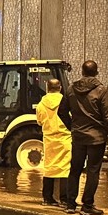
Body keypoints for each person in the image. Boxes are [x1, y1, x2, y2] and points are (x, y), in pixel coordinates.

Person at [59, 60, 108, 215]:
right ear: (96, 72)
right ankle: (87, 206)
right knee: (93, 171)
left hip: (78, 137)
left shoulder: (71, 89)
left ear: (83, 72)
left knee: (75, 169)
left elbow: (61, 112)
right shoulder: (101, 90)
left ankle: (70, 204)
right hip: (96, 138)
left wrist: (72, 127)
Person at [35, 79, 72, 208]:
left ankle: (47, 197)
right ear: (60, 88)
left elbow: (39, 121)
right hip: (65, 138)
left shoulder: (41, 104)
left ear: (47, 88)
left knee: (49, 167)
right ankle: (64, 199)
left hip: (49, 138)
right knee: (65, 168)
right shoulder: (67, 101)